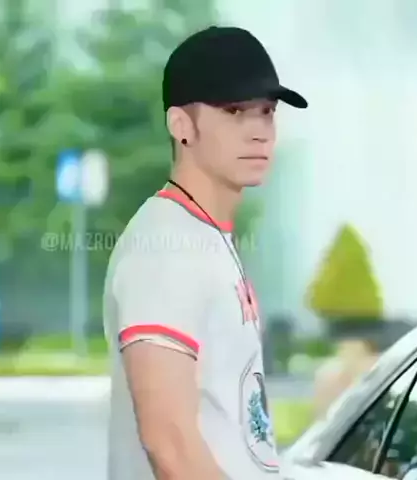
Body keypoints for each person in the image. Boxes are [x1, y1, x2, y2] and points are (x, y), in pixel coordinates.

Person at [103, 26, 307, 480]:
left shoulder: (204, 238)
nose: (259, 132)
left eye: (267, 112)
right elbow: (170, 444)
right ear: (181, 126)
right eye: (234, 111)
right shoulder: (166, 249)